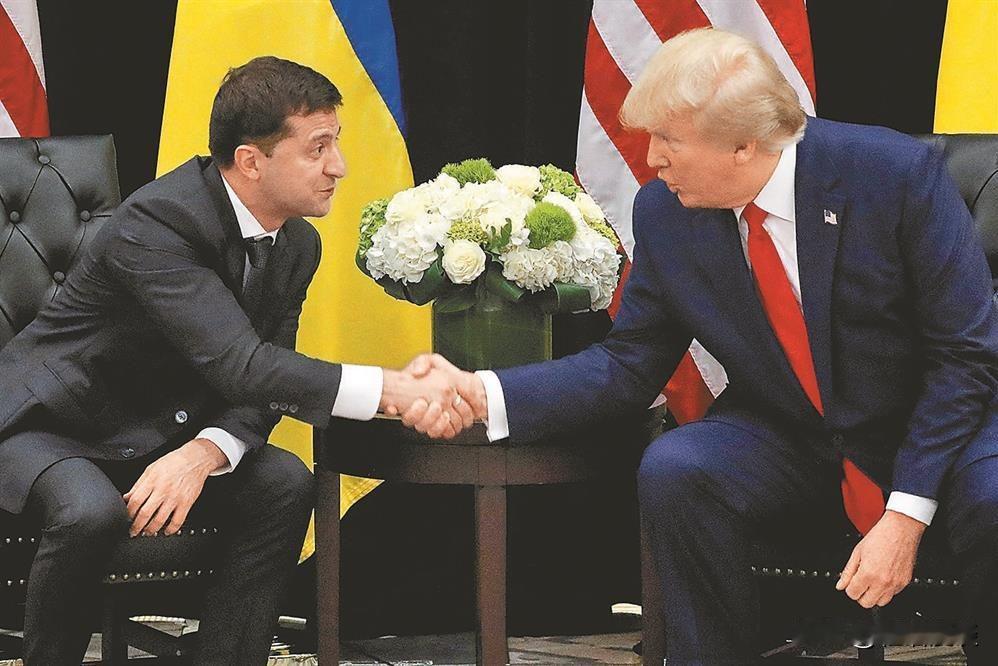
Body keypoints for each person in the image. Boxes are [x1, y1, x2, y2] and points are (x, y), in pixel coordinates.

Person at [417, 28, 998, 664]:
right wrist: (483, 391)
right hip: (794, 428)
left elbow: (965, 359)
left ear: (745, 145)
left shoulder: (892, 176)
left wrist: (907, 514)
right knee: (681, 468)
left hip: (939, 423)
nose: (652, 160)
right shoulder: (666, 212)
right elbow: (627, 363)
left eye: (669, 140)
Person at [0, 56, 472, 666]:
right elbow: (242, 366)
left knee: (283, 482)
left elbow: (267, 377)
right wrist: (390, 389)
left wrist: (205, 452)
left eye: (336, 143)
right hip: (53, 422)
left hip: (161, 426)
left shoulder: (297, 243)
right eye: (318, 148)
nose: (339, 166)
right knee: (89, 512)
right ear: (251, 160)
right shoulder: (157, 222)